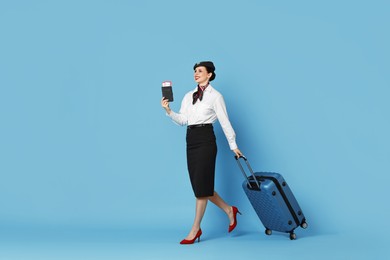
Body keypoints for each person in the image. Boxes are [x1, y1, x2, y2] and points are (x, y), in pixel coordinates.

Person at [161, 61, 243, 245]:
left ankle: (195, 229)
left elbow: (224, 122)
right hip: (191, 140)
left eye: (200, 71)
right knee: (201, 186)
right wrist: (168, 110)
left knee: (201, 190)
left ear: (210, 75)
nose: (196, 74)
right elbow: (183, 120)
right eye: (194, 71)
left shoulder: (216, 96)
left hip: (206, 139)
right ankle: (230, 210)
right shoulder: (188, 95)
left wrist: (233, 145)